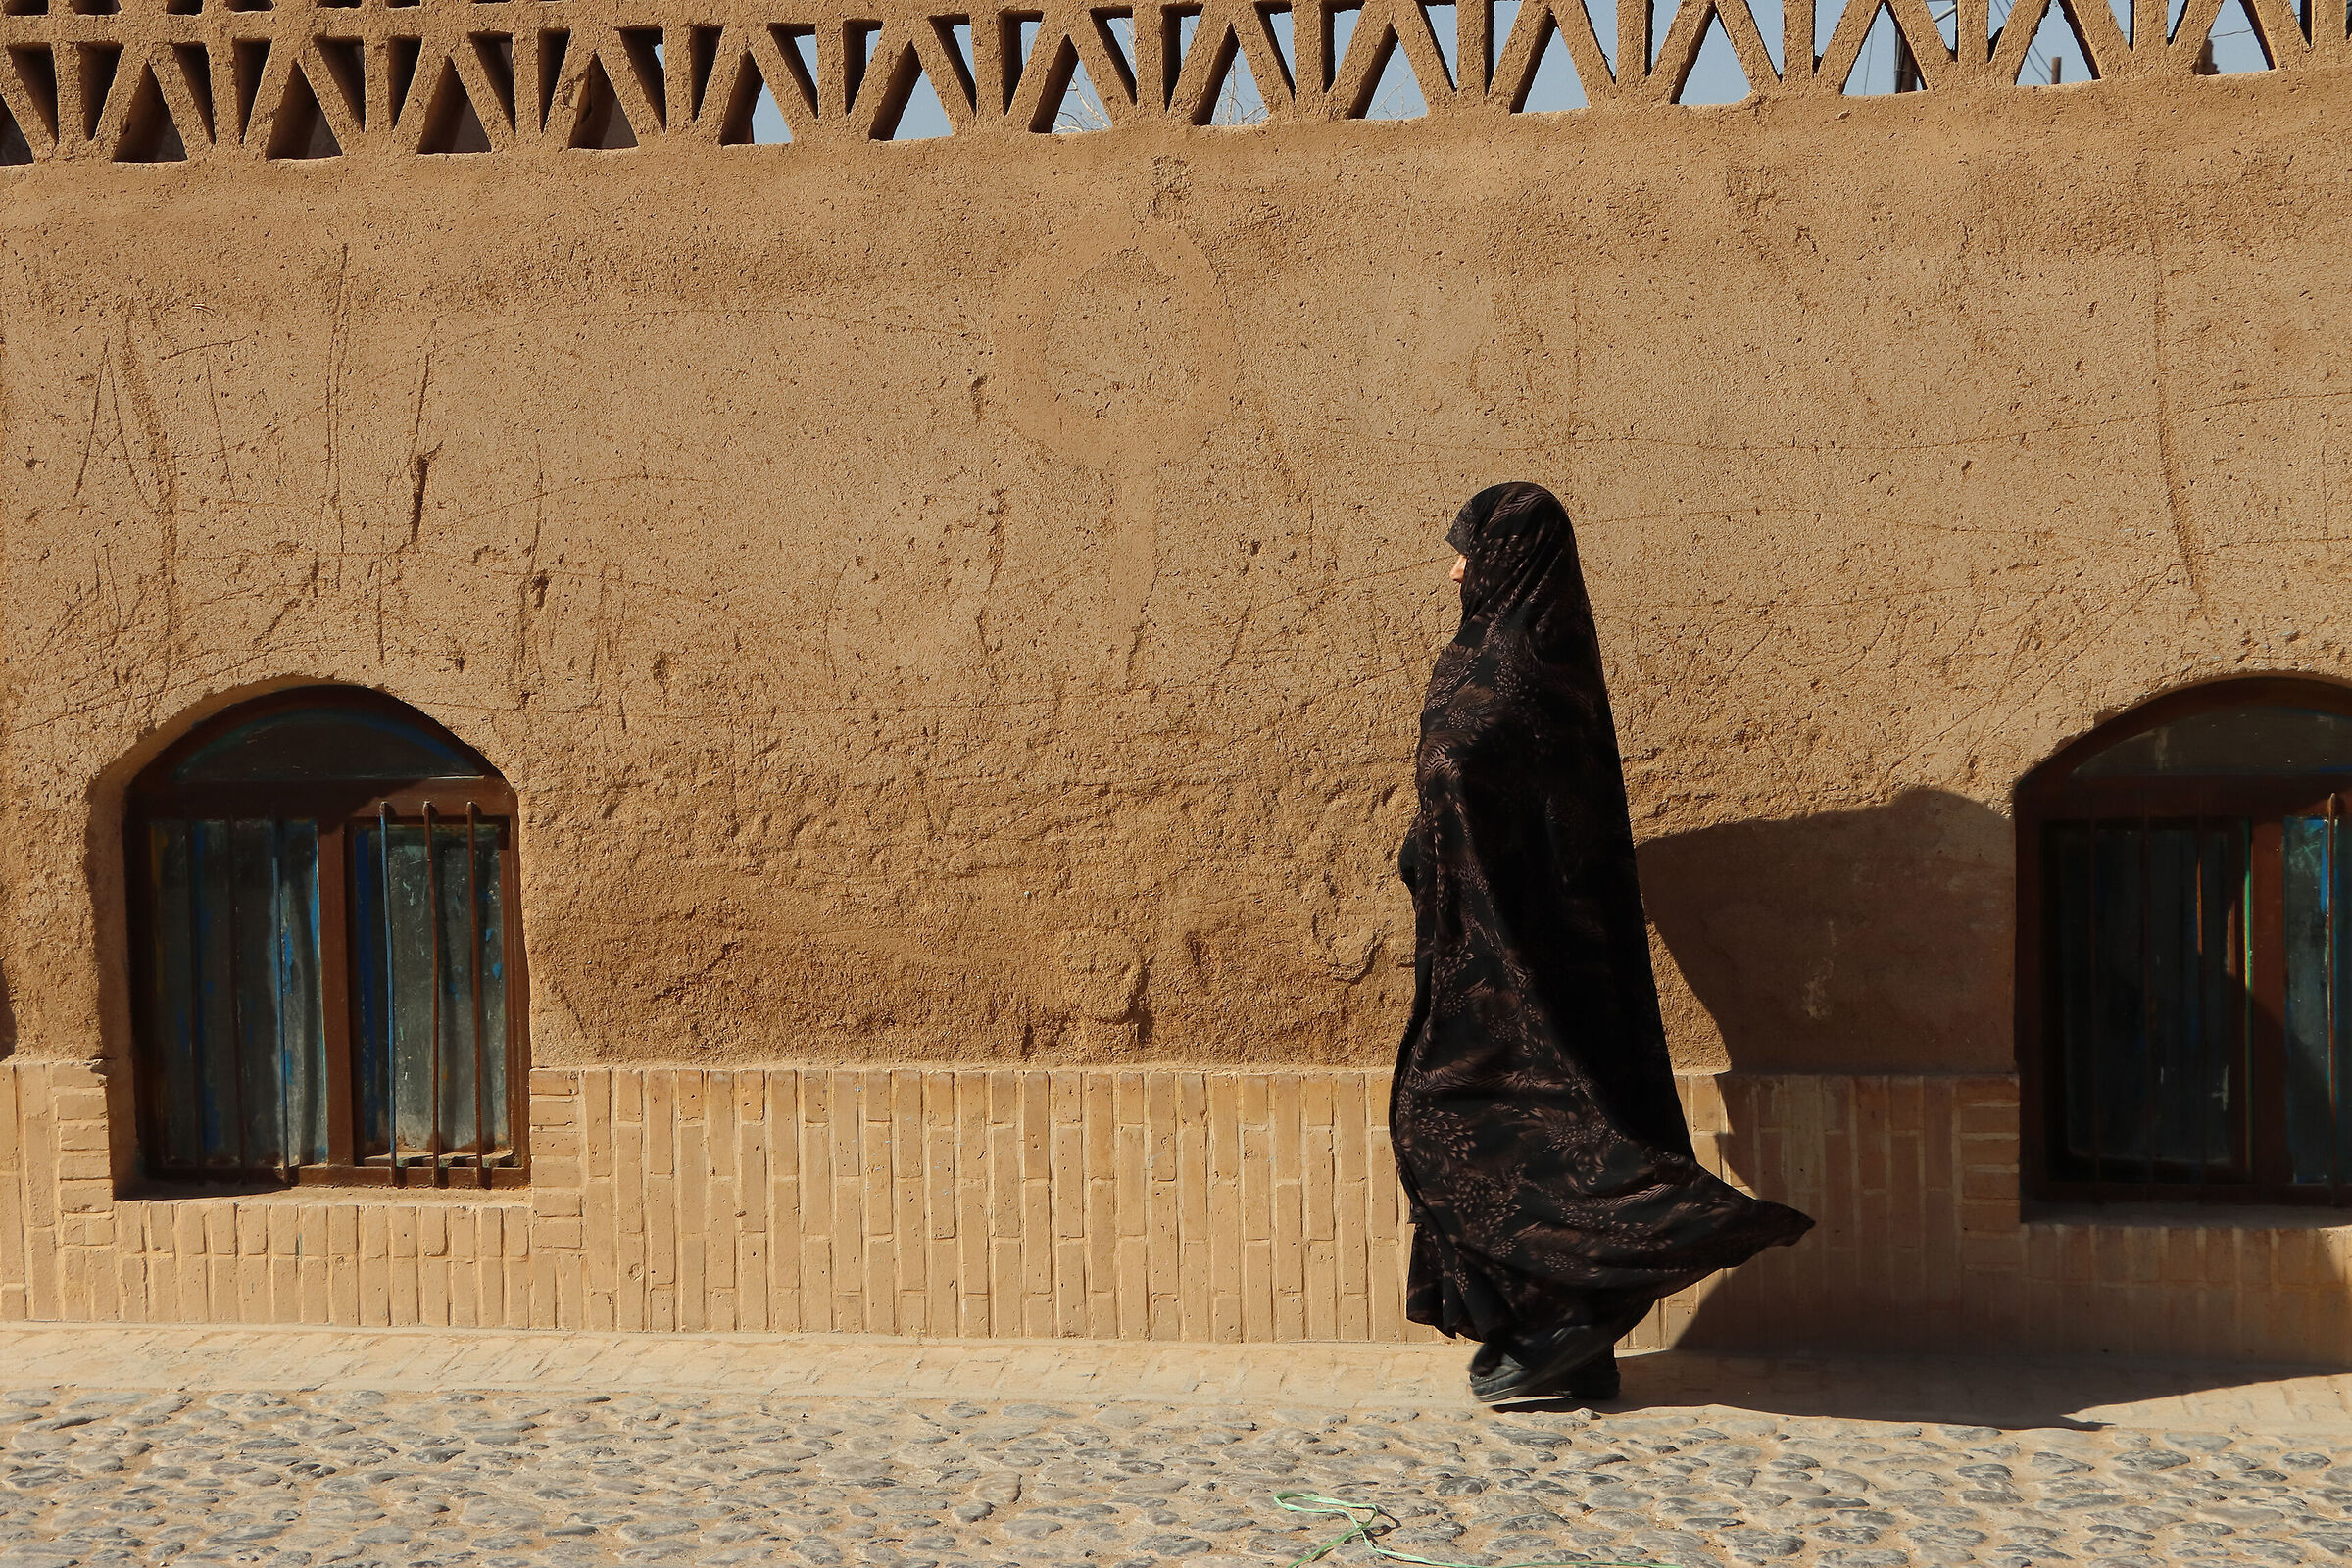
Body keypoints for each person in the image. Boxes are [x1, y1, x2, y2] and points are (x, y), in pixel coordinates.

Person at [1392, 481, 1813, 1405]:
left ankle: (1588, 1310)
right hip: (1478, 952)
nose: (1456, 567)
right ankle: (1566, 1337)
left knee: (1460, 1123)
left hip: (1525, 956)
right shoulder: (1497, 655)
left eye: (1469, 547)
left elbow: (1478, 774)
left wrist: (1449, 813)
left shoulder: (1530, 668)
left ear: (1511, 556)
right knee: (1525, 1128)